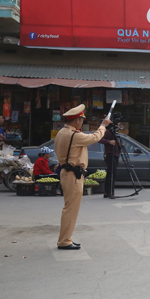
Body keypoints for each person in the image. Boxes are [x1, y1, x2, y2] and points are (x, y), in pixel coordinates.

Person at [54, 105, 112, 250]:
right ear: (76, 120)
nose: (82, 122)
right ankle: (64, 240)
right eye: (81, 119)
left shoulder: (62, 132)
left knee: (70, 208)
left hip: (68, 173)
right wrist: (103, 125)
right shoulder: (74, 135)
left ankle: (66, 238)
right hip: (73, 175)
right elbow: (95, 137)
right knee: (71, 209)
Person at [98, 128, 121, 199]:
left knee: (111, 173)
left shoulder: (116, 133)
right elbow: (99, 139)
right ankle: (110, 192)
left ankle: (107, 192)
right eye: (118, 125)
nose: (118, 127)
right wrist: (109, 141)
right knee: (112, 173)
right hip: (110, 154)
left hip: (115, 155)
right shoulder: (108, 132)